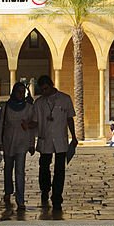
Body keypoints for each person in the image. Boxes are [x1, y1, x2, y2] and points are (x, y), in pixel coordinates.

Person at [33, 74, 78, 214]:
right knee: (44, 166)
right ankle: (45, 189)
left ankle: (57, 197)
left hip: (60, 139)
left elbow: (70, 118)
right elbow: (35, 121)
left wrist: (74, 136)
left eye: (46, 88)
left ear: (51, 85)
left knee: (60, 169)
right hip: (45, 138)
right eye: (42, 90)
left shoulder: (65, 99)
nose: (44, 92)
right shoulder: (39, 103)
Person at [0, 82, 37, 212]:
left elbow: (31, 128)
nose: (20, 94)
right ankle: (8, 191)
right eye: (18, 91)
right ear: (13, 92)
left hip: (22, 143)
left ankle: (20, 199)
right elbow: (0, 125)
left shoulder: (29, 108)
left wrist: (31, 144)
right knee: (8, 169)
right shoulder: (6, 107)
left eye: (22, 92)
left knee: (20, 171)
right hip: (8, 142)